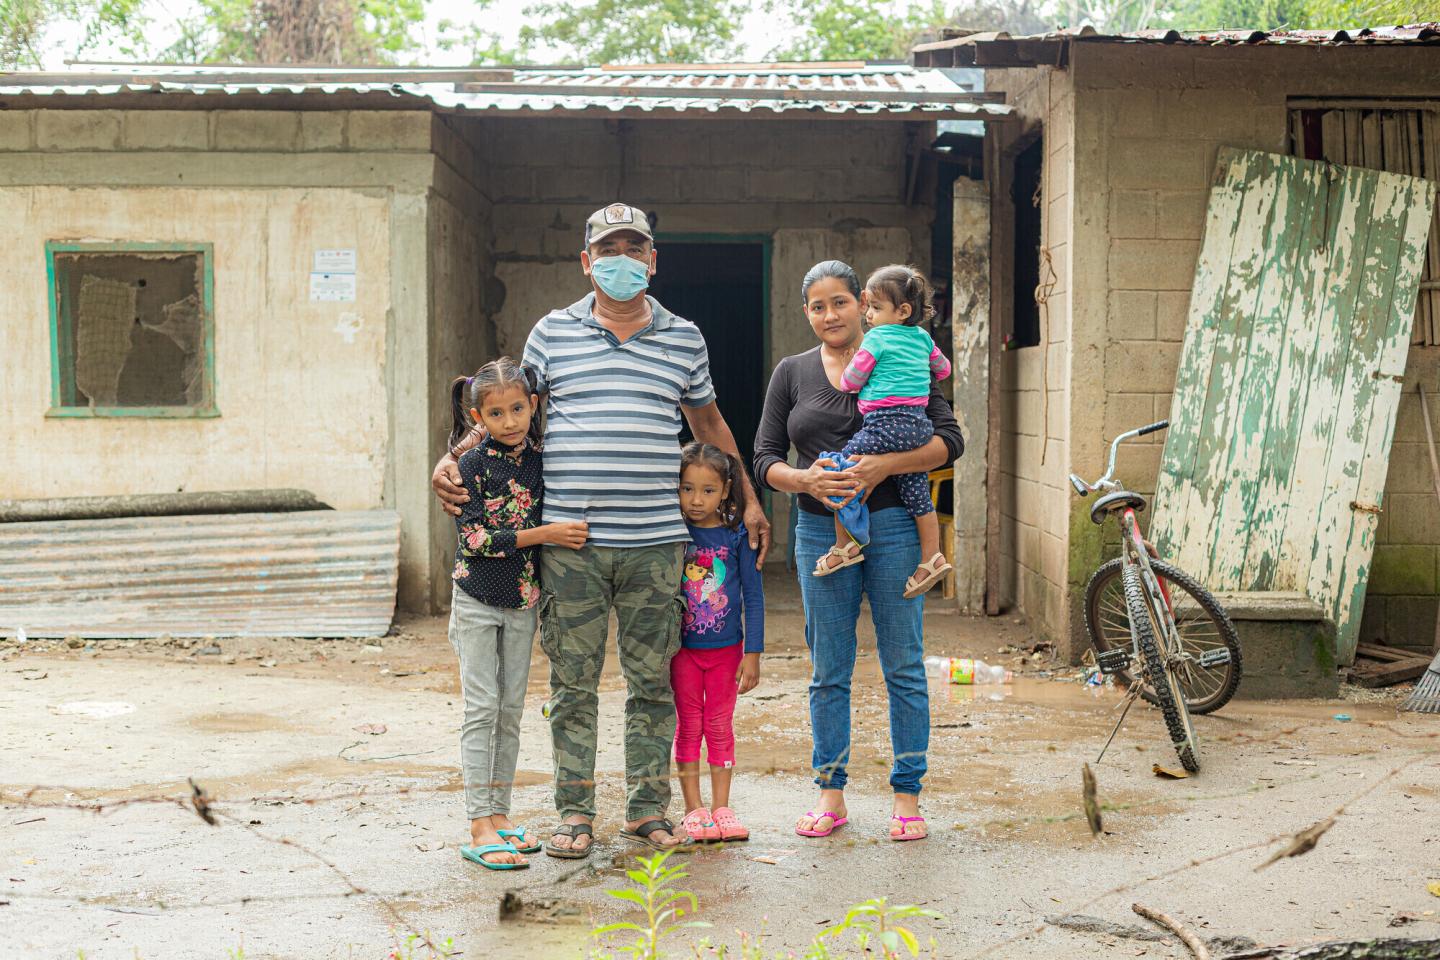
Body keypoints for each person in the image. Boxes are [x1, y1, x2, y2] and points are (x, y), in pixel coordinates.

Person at [432, 203, 771, 859]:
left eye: (633, 248)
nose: (622, 259)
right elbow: (510, 413)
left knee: (652, 687)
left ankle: (647, 811)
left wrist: (749, 498)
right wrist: (455, 455)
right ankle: (575, 814)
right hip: (571, 548)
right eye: (608, 249)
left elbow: (709, 426)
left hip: (655, 547)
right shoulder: (551, 333)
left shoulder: (684, 337)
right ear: (587, 262)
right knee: (573, 689)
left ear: (652, 260)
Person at [753, 260, 962, 843]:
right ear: (807, 313)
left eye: (841, 302)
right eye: (817, 306)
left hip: (894, 528)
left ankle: (907, 795)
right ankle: (831, 792)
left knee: (903, 664)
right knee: (829, 670)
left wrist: (884, 466)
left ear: (864, 304)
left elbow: (950, 441)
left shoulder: (904, 354)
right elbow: (764, 456)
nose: (831, 315)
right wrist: (804, 481)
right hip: (821, 532)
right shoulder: (792, 373)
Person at [445, 357, 589, 871]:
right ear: (477, 416)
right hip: (477, 599)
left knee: (509, 709)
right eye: (496, 413)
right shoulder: (470, 466)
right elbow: (476, 539)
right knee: (481, 707)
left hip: (523, 600)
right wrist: (545, 535)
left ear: (533, 405)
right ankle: (478, 821)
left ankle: (500, 814)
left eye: (517, 408)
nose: (509, 421)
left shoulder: (541, 459)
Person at [817, 264, 954, 600]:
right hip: (918, 427)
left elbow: (850, 382)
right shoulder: (923, 338)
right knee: (916, 491)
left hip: (885, 424)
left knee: (842, 468)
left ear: (903, 311)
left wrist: (854, 362)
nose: (869, 316)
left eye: (876, 308)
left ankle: (845, 545)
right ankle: (931, 557)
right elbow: (944, 369)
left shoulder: (877, 338)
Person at [672, 442, 764, 844]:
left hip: (727, 652)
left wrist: (753, 654)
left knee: (720, 727)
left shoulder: (736, 536)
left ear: (726, 490)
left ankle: (722, 807)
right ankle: (694, 809)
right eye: (687, 488)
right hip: (683, 654)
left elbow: (754, 596)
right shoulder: (673, 533)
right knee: (689, 727)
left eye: (708, 490)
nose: (696, 500)